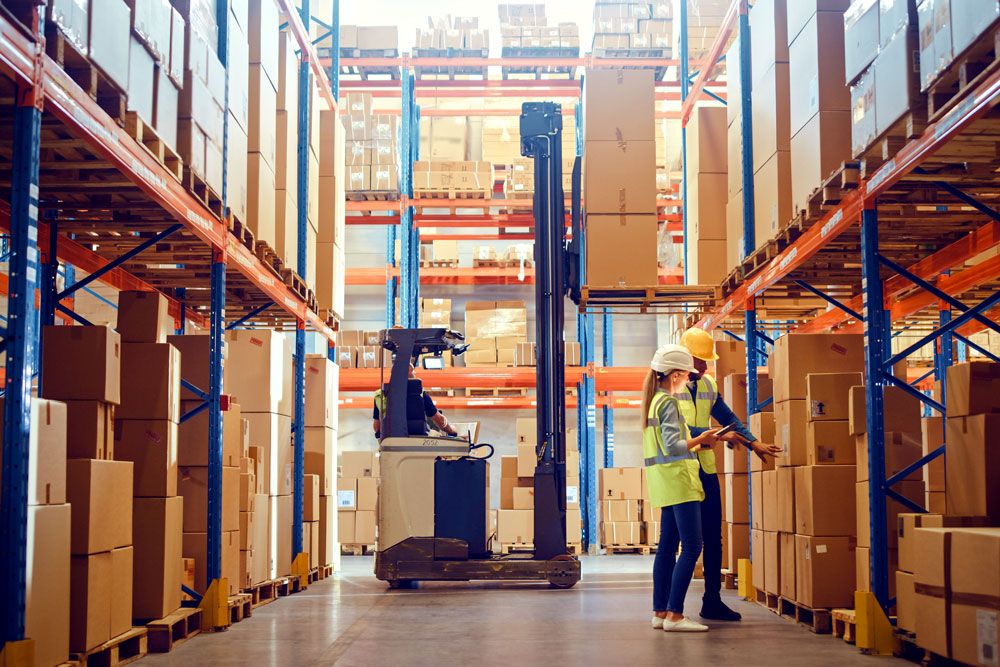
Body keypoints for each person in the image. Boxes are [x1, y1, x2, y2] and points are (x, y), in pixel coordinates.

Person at [677, 327, 782, 622]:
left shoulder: (707, 385)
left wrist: (753, 442)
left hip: (705, 470)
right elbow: (682, 432)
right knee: (681, 542)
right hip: (680, 473)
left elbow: (730, 420)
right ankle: (671, 610)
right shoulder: (672, 387)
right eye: (700, 361)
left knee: (714, 538)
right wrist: (718, 435)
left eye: (706, 361)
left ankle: (711, 600)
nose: (705, 366)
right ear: (686, 358)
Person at [643, 344, 722, 633]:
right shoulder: (670, 403)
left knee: (666, 548)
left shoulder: (653, 401)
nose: (690, 379)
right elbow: (674, 446)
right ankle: (675, 614)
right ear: (675, 375)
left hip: (664, 481)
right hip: (680, 480)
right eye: (687, 375)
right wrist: (703, 440)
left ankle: (660, 611)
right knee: (692, 546)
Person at [373, 361, 457, 440]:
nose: (415, 374)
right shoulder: (420, 394)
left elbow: (377, 427)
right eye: (413, 371)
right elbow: (439, 420)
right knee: (438, 437)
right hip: (419, 438)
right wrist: (451, 431)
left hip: (390, 439)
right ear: (409, 373)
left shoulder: (380, 395)